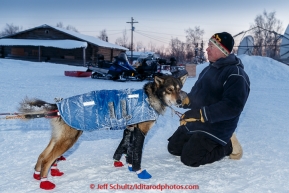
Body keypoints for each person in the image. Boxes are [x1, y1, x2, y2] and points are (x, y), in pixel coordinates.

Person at [167, 32, 250, 167]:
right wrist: (183, 99)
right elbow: (196, 95)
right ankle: (199, 140)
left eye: (211, 46)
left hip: (218, 126)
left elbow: (232, 107)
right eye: (208, 45)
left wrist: (199, 114)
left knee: (189, 159)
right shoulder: (208, 70)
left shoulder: (236, 74)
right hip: (199, 123)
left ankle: (228, 145)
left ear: (223, 50)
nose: (207, 49)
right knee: (173, 148)